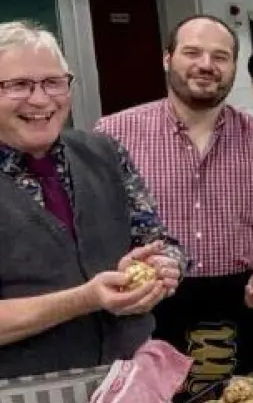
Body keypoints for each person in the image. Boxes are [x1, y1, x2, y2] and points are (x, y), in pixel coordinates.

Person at [97, 14, 253, 394]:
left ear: (234, 66)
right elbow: (93, 226)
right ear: (168, 58)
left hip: (245, 303)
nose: (206, 65)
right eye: (192, 53)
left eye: (220, 56)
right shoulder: (113, 134)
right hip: (150, 307)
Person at [0, 20, 182, 378]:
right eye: (19, 85)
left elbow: (157, 240)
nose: (40, 99)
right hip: (23, 395)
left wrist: (163, 267)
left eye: (53, 82)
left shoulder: (104, 152)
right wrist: (85, 298)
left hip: (130, 378)